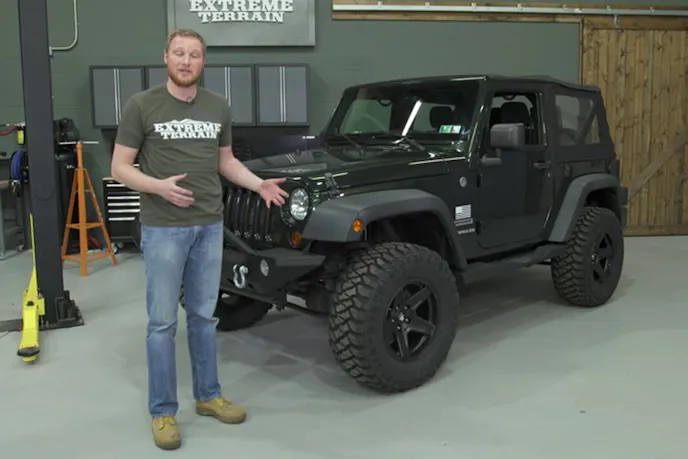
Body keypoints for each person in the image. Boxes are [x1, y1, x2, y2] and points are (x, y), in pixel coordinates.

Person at [110, 28, 289, 450]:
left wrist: (258, 184)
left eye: (194, 54)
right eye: (179, 53)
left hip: (209, 226)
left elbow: (226, 162)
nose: (186, 61)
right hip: (163, 228)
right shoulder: (142, 105)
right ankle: (162, 411)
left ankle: (208, 396)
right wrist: (158, 187)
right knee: (162, 323)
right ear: (166, 57)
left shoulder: (217, 106)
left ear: (203, 61)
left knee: (204, 318)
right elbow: (120, 167)